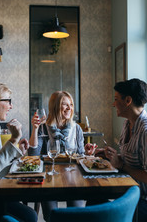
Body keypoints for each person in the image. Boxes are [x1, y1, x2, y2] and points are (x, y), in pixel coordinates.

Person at [29, 91, 85, 221]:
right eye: (64, 105)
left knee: (77, 215)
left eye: (71, 104)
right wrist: (35, 129)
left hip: (73, 176)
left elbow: (81, 155)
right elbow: (33, 155)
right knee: (51, 216)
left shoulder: (76, 129)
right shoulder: (43, 128)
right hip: (50, 177)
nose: (69, 108)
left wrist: (87, 152)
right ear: (55, 107)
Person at [95, 78, 147, 222]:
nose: (113, 103)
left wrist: (121, 165)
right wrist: (110, 156)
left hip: (142, 199)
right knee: (94, 200)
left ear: (128, 100)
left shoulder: (145, 130)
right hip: (126, 192)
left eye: (116, 99)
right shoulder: (127, 123)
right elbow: (133, 159)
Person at [0, 81, 38, 222]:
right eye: (8, 101)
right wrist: (14, 139)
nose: (11, 106)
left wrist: (18, 150)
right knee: (30, 216)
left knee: (31, 215)